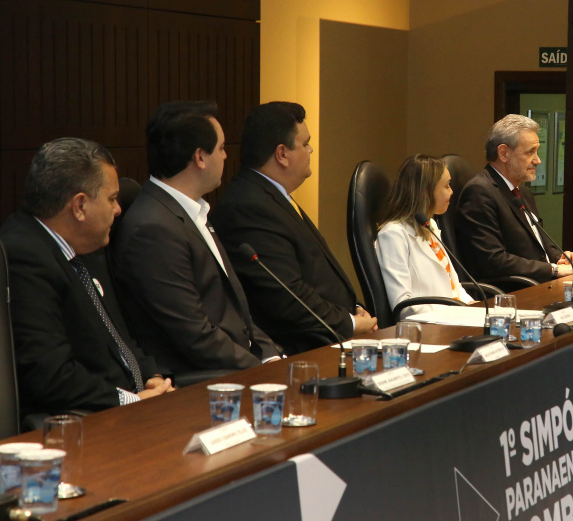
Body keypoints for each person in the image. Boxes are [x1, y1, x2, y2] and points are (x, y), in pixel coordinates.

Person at [0, 138, 173, 418]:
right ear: (79, 206)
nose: (118, 210)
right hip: (86, 423)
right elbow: (52, 376)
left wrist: (149, 375)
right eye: (112, 199)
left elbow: (120, 336)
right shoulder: (24, 257)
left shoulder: (86, 244)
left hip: (132, 404)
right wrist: (133, 400)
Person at [111, 101, 281, 375]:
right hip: (200, 383)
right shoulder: (153, 229)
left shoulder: (191, 210)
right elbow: (194, 336)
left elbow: (239, 315)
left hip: (239, 367)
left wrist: (271, 357)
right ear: (200, 157)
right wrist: (263, 371)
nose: (226, 157)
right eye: (222, 148)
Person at [211, 102, 377, 355]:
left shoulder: (272, 197)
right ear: (282, 154)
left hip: (331, 337)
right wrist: (350, 323)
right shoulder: (248, 207)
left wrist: (353, 308)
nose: (311, 150)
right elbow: (286, 296)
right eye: (305, 143)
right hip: (301, 352)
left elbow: (317, 275)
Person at [456, 114, 573, 283]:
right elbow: (492, 260)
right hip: (512, 293)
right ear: (503, 153)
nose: (538, 160)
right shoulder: (480, 192)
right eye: (530, 152)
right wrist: (553, 269)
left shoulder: (522, 192)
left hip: (540, 284)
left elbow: (540, 246)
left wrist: (562, 258)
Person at [375, 155, 474, 319]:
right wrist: (455, 313)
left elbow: (454, 287)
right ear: (426, 193)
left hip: (455, 318)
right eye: (446, 186)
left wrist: (471, 306)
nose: (452, 191)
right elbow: (403, 306)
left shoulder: (430, 225)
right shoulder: (393, 235)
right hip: (428, 329)